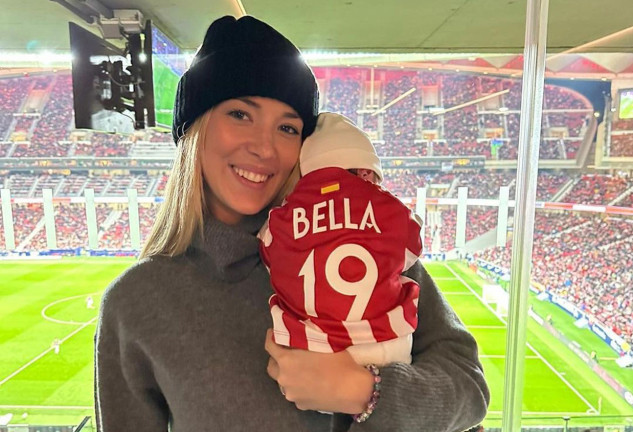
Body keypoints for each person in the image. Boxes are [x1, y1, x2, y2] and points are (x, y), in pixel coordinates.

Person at [94, 15, 489, 432]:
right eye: (240, 114)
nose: (264, 147)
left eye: (287, 127)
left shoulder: (363, 241)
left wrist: (365, 391)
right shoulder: (135, 302)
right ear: (194, 128)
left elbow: (469, 389)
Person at [259, 112, 423, 368]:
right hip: (388, 343)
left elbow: (269, 253)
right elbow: (413, 244)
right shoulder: (388, 209)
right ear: (367, 173)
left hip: (307, 348)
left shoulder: (281, 219)